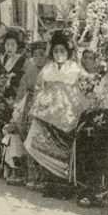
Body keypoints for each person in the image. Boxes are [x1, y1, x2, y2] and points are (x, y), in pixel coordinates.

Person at [24, 31, 86, 189]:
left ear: (68, 53)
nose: (59, 54)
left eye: (62, 51)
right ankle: (45, 176)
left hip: (69, 112)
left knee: (66, 141)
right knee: (34, 139)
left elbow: (83, 89)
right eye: (56, 51)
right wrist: (42, 101)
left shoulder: (75, 68)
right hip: (48, 112)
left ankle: (64, 176)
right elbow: (39, 88)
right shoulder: (47, 68)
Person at [1, 41, 47, 186]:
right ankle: (28, 174)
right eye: (35, 55)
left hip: (46, 108)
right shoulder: (30, 71)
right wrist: (17, 107)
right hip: (29, 107)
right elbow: (21, 91)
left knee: (39, 140)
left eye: (42, 55)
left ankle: (42, 176)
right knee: (26, 138)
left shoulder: (50, 70)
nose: (38, 58)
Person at [0, 31, 26, 95]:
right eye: (7, 44)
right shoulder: (1, 59)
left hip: (16, 91)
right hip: (1, 90)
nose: (9, 47)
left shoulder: (21, 59)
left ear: (17, 46)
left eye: (13, 45)